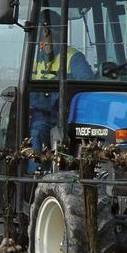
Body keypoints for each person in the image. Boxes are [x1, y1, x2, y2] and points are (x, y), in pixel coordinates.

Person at [29, 9, 94, 164]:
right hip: (39, 114)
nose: (45, 38)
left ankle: (36, 177)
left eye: (49, 32)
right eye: (42, 33)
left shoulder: (73, 58)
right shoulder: (32, 58)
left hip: (64, 116)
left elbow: (87, 86)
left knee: (37, 133)